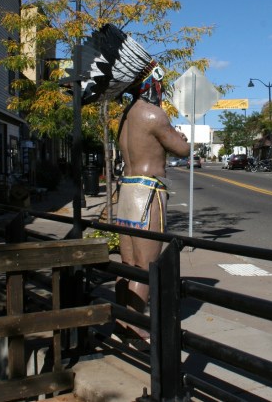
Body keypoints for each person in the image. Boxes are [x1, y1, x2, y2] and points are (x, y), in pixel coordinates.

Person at [75, 24, 190, 345]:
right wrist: (180, 136)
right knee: (148, 264)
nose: (163, 88)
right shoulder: (153, 115)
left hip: (125, 191)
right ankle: (138, 324)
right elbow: (181, 149)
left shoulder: (126, 116)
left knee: (128, 263)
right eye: (160, 83)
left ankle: (123, 320)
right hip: (147, 191)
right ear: (151, 84)